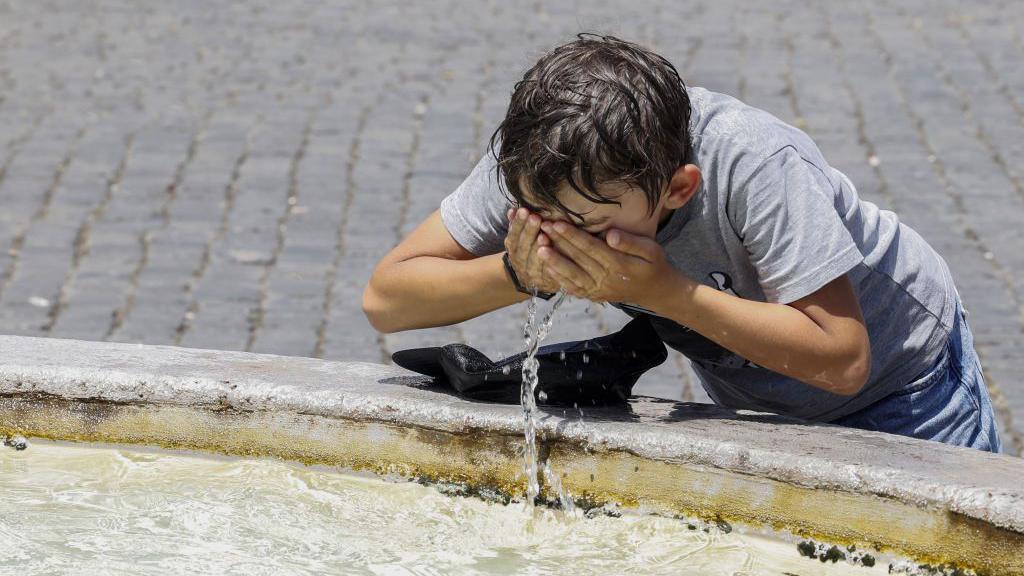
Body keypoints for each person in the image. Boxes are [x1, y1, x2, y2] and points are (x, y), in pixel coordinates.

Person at [362, 33, 1003, 453]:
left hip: (906, 385)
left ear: (676, 189)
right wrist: (519, 272)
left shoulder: (756, 164)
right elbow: (386, 300)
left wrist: (666, 293)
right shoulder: (549, 162)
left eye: (584, 224)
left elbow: (842, 359)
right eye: (535, 211)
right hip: (761, 398)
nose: (557, 233)